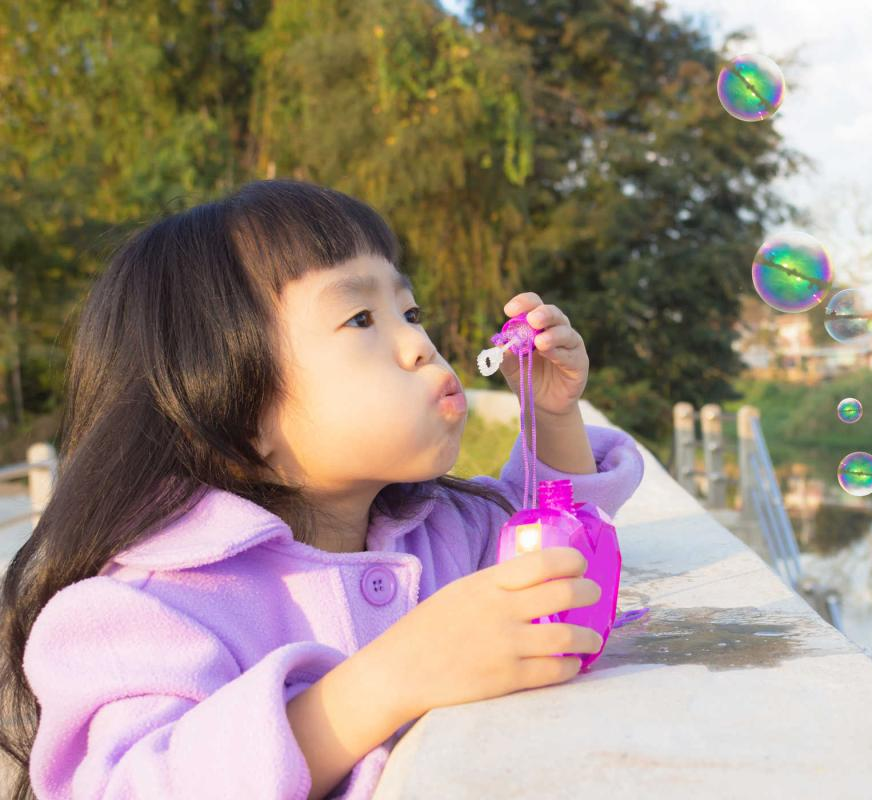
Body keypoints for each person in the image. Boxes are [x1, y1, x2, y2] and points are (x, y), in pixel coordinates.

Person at [0, 180, 645, 799]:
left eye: (410, 312)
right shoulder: (146, 609)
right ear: (231, 403)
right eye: (361, 318)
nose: (419, 345)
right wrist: (389, 679)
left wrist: (551, 415)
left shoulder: (445, 529)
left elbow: (558, 543)